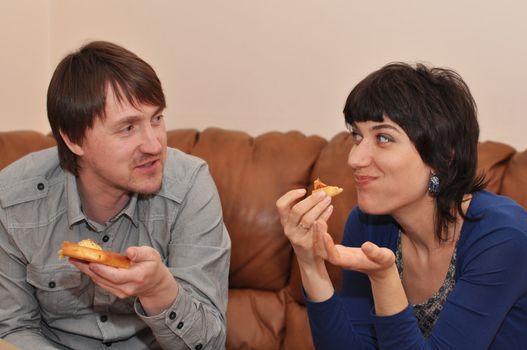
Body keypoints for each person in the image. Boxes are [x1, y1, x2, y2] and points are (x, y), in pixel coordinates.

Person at [276, 62, 527, 349]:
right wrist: (310, 264)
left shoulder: (503, 238)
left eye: (384, 137)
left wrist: (384, 279)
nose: (355, 159)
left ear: (443, 156)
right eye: (357, 136)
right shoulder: (368, 223)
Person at [0, 41, 231, 349]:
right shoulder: (14, 200)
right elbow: (14, 328)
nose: (154, 145)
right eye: (127, 128)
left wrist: (159, 290)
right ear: (74, 139)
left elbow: (211, 343)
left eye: (157, 119)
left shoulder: (189, 185)